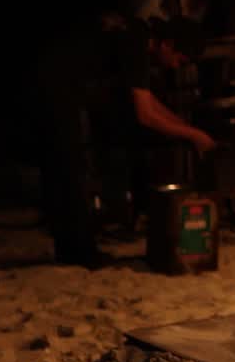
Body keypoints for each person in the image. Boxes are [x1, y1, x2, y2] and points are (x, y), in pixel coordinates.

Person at [37, 15, 216, 267]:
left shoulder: (138, 32)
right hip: (53, 81)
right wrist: (193, 135)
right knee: (68, 165)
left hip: (57, 76)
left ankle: (70, 247)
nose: (175, 66)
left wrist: (187, 128)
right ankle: (77, 251)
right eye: (179, 58)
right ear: (167, 44)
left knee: (66, 162)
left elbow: (149, 101)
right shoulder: (136, 44)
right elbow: (145, 115)